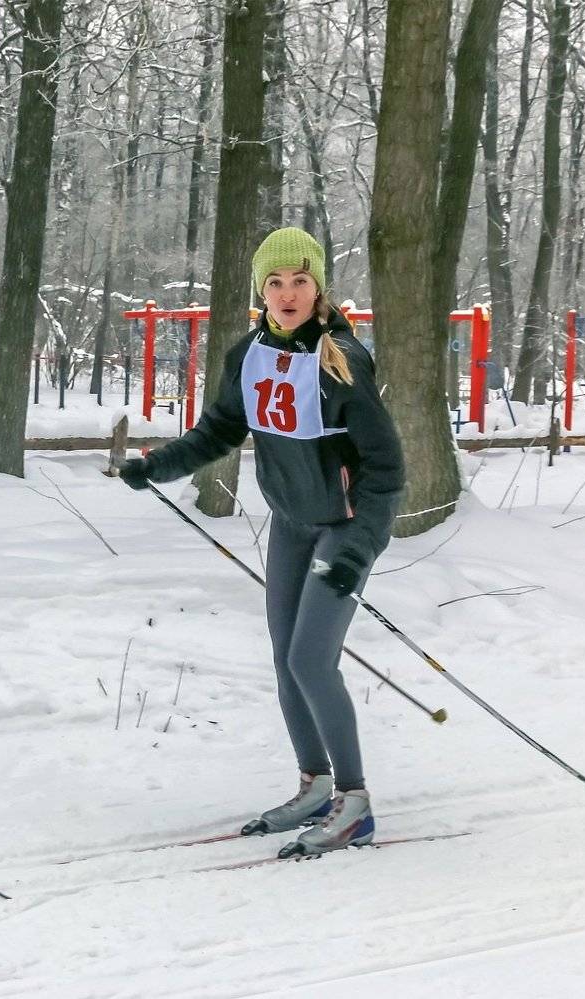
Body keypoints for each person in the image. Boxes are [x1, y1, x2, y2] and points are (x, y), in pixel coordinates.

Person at [118, 227, 405, 856]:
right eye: (275, 282)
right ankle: (315, 785)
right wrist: (157, 466)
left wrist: (359, 549)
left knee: (311, 661)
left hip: (342, 529)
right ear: (261, 291)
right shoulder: (248, 354)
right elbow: (218, 431)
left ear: (318, 286)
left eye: (300, 280)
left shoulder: (340, 361)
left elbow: (386, 470)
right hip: (291, 525)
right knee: (285, 660)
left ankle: (354, 803)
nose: (287, 293)